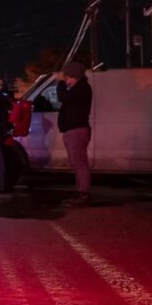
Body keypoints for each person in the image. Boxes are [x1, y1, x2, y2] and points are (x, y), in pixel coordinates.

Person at [56, 61, 93, 207]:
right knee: (77, 163)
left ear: (75, 76)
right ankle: (80, 193)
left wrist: (59, 84)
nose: (66, 81)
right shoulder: (79, 88)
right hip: (73, 129)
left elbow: (63, 98)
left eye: (67, 78)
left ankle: (83, 194)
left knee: (79, 163)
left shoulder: (82, 88)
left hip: (76, 130)